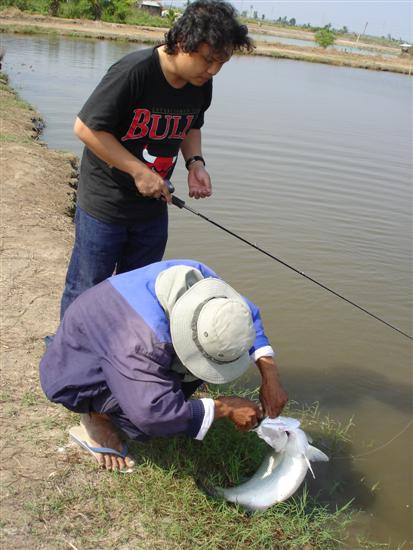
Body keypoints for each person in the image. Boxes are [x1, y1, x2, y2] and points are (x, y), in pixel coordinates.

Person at [60, 0, 254, 319]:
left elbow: (192, 124)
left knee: (140, 290)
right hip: (105, 206)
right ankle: (67, 360)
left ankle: (120, 358)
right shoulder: (135, 71)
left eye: (221, 62)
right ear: (182, 43)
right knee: (87, 288)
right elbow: (86, 128)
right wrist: (137, 170)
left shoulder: (200, 84)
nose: (213, 70)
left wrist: (196, 163)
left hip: (153, 207)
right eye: (208, 60)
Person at [40, 260, 288, 472]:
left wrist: (270, 377)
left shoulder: (199, 279)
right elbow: (153, 415)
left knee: (181, 390)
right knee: (148, 424)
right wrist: (224, 408)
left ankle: (138, 398)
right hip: (78, 373)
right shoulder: (143, 346)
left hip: (119, 333)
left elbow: (246, 316)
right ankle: (97, 417)